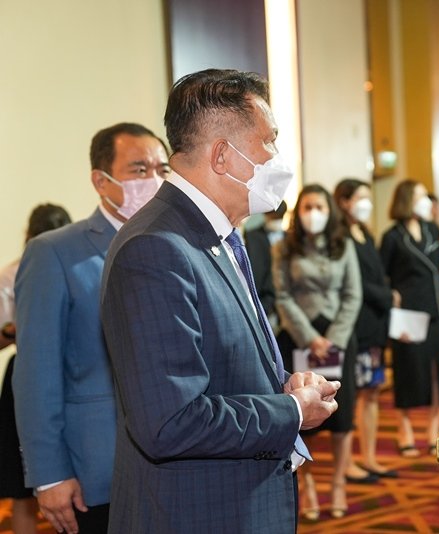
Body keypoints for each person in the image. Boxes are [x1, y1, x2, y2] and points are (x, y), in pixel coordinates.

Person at [100, 69, 340, 534]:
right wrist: (291, 412)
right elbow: (169, 421)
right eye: (268, 142)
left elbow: (221, 366)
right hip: (194, 515)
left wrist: (285, 386)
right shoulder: (156, 248)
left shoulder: (217, 235)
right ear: (223, 156)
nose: (277, 158)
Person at [13, 123, 169, 534]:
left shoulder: (177, 245)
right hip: (98, 470)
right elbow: (36, 375)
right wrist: (48, 474)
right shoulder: (56, 253)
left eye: (162, 168)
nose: (154, 180)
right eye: (139, 169)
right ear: (102, 181)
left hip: (177, 465)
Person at [272, 183, 365, 520]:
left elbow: (353, 294)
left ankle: (338, 484)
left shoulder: (344, 245)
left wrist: (334, 338)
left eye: (320, 207)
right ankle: (308, 486)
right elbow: (282, 296)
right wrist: (311, 337)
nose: (314, 213)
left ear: (330, 211)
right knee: (307, 417)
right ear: (299, 212)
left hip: (340, 338)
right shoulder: (284, 247)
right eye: (308, 207)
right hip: (300, 337)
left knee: (342, 416)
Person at [0, 204, 71, 534]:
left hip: (65, 372)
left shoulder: (79, 265)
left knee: (35, 488)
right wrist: (12, 331)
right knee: (20, 483)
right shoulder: (10, 276)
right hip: (28, 372)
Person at [333, 178, 398, 479]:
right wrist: (388, 296)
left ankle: (368, 456)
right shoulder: (341, 235)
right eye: (360, 198)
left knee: (372, 393)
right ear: (344, 201)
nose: (366, 204)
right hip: (355, 326)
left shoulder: (365, 233)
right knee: (352, 396)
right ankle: (347, 463)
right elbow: (355, 282)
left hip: (375, 325)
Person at [380, 179, 439, 457]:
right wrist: (391, 294)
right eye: (421, 196)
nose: (427, 202)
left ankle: (434, 429)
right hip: (407, 313)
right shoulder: (392, 236)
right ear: (407, 199)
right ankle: (404, 428)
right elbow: (381, 273)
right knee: (408, 372)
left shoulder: (433, 229)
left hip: (434, 310)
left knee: (436, 373)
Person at [244, 200, 288, 327]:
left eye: (279, 218)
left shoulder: (290, 239)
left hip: (285, 302)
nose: (275, 220)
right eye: (272, 217)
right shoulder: (252, 236)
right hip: (263, 300)